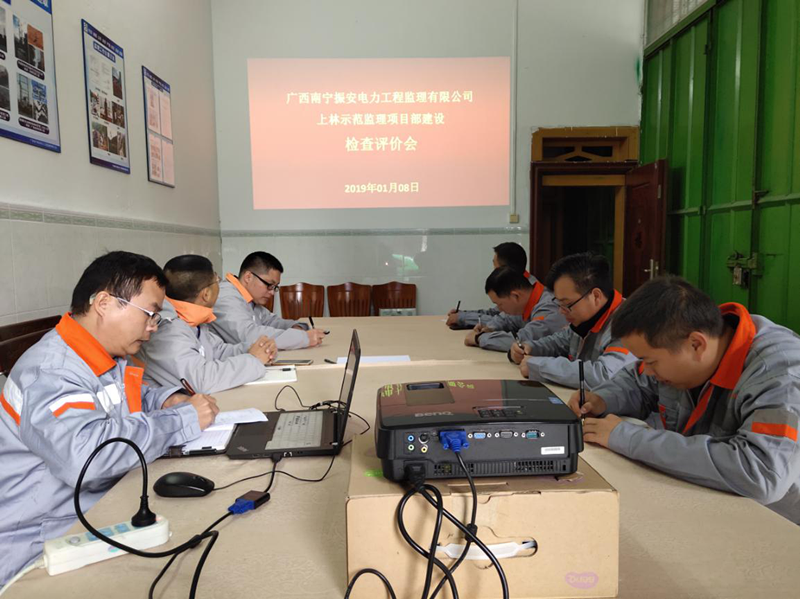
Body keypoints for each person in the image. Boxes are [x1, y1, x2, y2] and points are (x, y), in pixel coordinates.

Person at [0, 251, 219, 586]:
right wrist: (180, 420)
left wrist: (168, 399)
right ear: (104, 303)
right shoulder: (52, 371)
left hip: (89, 512)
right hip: (39, 545)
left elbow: (129, 398)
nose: (152, 326)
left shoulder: (101, 354)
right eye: (150, 314)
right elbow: (87, 456)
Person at [568, 276, 800, 524]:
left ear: (696, 344)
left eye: (651, 361)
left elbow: (761, 473)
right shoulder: (687, 343)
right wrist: (601, 399)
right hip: (710, 506)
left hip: (779, 525)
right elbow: (637, 380)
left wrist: (627, 437)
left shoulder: (781, 373)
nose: (647, 370)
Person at [135, 255, 278, 393]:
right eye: (217, 280)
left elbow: (218, 351)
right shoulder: (166, 330)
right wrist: (254, 359)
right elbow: (202, 380)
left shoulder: (193, 318)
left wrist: (254, 349)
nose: (220, 284)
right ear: (206, 294)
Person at [512, 252, 635, 388]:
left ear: (595, 296)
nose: (561, 310)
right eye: (559, 303)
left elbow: (604, 375)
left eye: (567, 304)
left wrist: (539, 367)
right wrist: (529, 348)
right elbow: (559, 342)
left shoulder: (628, 324)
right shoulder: (584, 319)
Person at [211, 252, 326, 350]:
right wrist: (302, 338)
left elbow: (271, 321)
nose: (272, 293)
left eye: (275, 287)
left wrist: (297, 327)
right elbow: (250, 336)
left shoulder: (249, 298)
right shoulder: (225, 298)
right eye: (269, 285)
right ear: (248, 277)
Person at [464, 267, 566, 353]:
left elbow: (521, 342)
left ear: (515, 296)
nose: (499, 309)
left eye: (500, 304)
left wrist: (478, 338)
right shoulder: (527, 302)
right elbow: (507, 319)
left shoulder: (548, 308)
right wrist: (489, 328)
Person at [446, 242, 534, 329]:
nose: (494, 272)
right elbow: (495, 313)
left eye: (495, 267)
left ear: (505, 271)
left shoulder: (525, 291)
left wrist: (463, 318)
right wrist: (463, 314)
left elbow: (504, 321)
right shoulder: (522, 282)